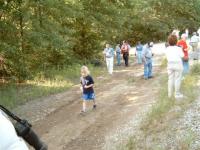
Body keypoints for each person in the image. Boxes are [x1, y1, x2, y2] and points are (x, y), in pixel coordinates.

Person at [165, 34, 184, 99]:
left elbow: (166, 56)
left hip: (170, 64)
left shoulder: (167, 49)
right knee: (177, 79)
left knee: (170, 79)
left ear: (169, 41)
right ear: (176, 41)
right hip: (178, 64)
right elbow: (182, 56)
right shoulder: (178, 48)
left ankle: (170, 95)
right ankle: (177, 94)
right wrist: (181, 48)